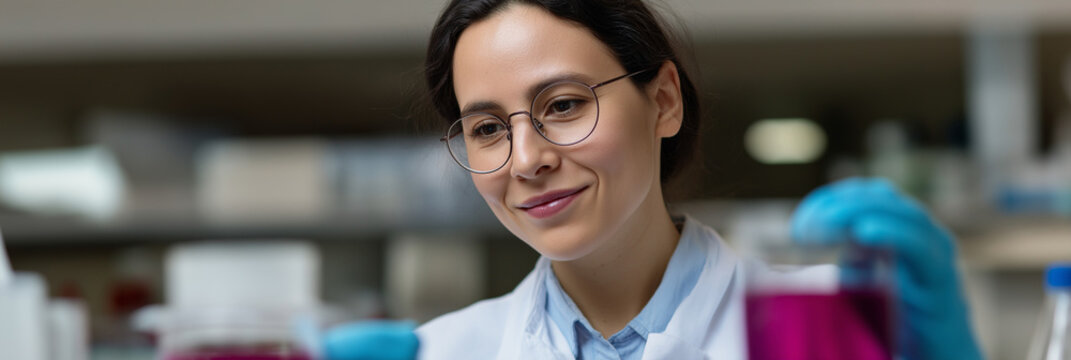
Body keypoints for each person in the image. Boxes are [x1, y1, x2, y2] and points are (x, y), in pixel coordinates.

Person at [323, 1, 984, 359]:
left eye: (562, 105)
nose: (525, 160)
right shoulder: (442, 353)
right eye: (488, 128)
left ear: (663, 100)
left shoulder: (832, 330)